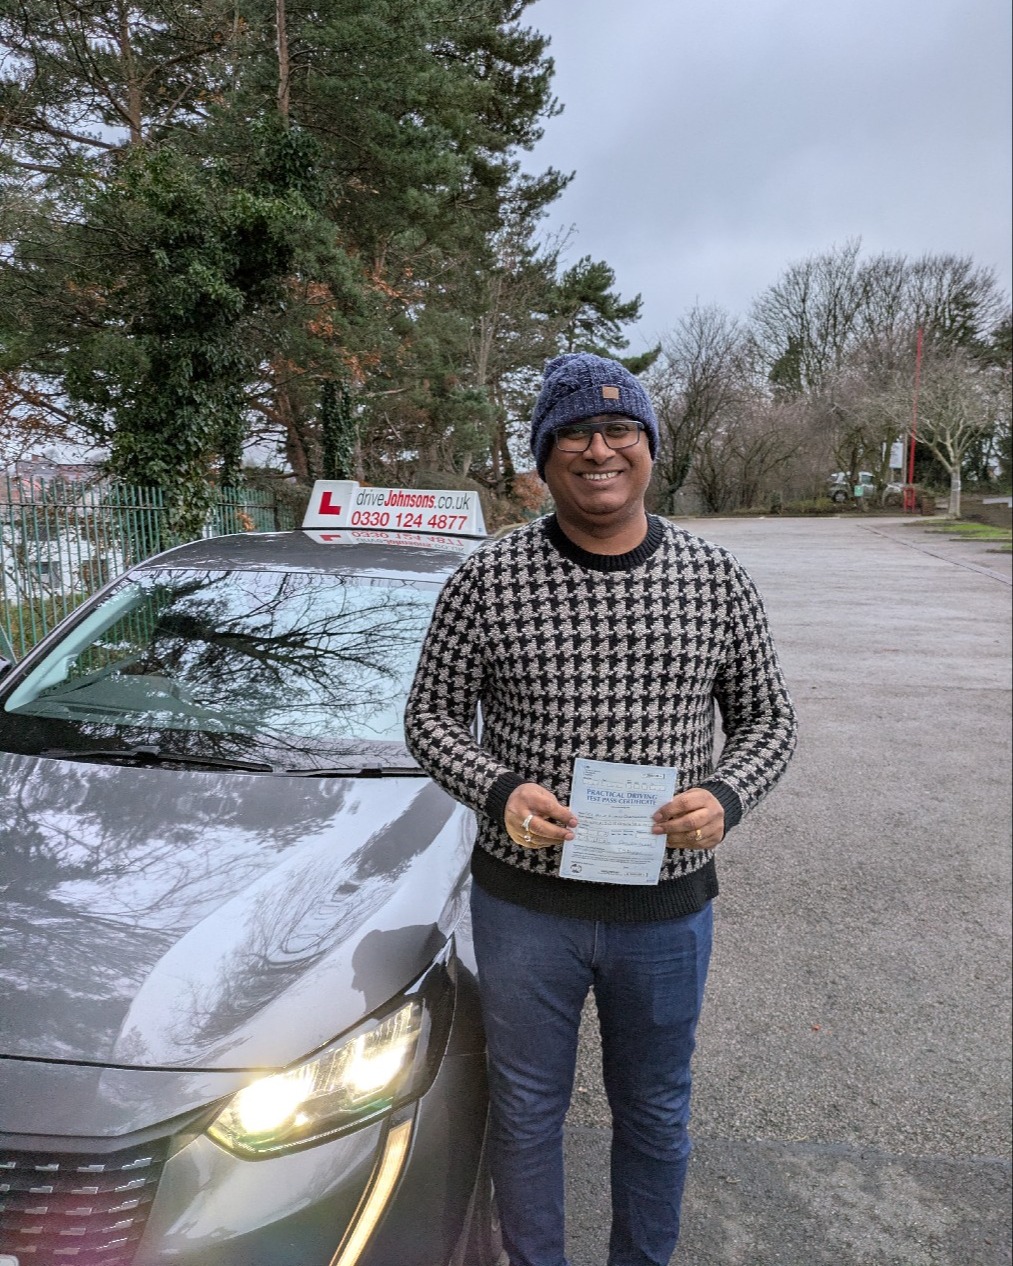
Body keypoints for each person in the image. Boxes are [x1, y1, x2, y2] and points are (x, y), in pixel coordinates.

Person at [404, 352, 798, 1266]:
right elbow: (428, 717)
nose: (597, 449)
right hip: (523, 908)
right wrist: (498, 788)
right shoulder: (487, 578)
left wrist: (726, 797)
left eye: (618, 430)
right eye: (573, 433)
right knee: (528, 1111)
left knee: (656, 1111)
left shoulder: (715, 577)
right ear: (542, 458)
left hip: (664, 911)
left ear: (650, 449)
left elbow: (769, 721)